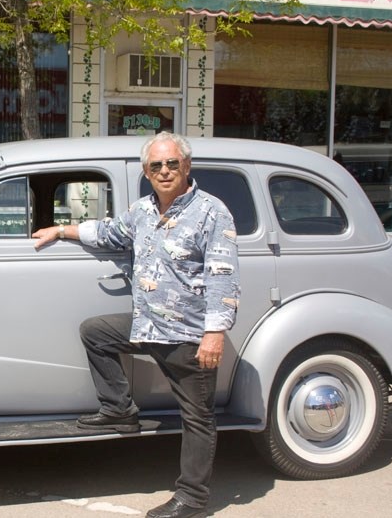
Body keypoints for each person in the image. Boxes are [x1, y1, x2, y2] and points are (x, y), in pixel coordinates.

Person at [33, 132, 240, 518]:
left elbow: (223, 275)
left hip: (187, 334)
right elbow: (112, 232)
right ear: (146, 172)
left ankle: (193, 498)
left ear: (187, 167)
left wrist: (215, 333)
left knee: (197, 417)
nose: (164, 171)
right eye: (156, 166)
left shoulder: (212, 212)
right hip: (148, 325)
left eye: (172, 164)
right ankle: (118, 409)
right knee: (95, 331)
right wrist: (61, 230)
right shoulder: (143, 210)